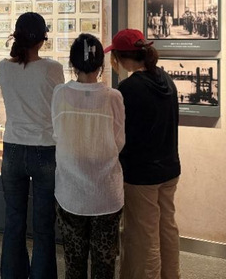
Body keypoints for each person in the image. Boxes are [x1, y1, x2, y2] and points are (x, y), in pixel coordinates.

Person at [0, 12, 65, 279]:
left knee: (14, 221)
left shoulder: (4, 67)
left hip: (12, 148)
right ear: (42, 39)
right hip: (45, 148)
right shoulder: (52, 69)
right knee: (44, 225)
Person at [106, 29, 181, 279]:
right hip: (169, 168)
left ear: (119, 57)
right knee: (166, 228)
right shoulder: (165, 80)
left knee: (142, 237)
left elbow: (120, 133)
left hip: (141, 174)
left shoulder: (128, 89)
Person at [52, 34, 125, 279]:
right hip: (106, 193)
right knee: (104, 264)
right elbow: (119, 141)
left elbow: (57, 134)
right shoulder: (113, 97)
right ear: (101, 65)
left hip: (70, 192)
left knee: (74, 263)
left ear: (72, 64)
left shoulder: (60, 94)